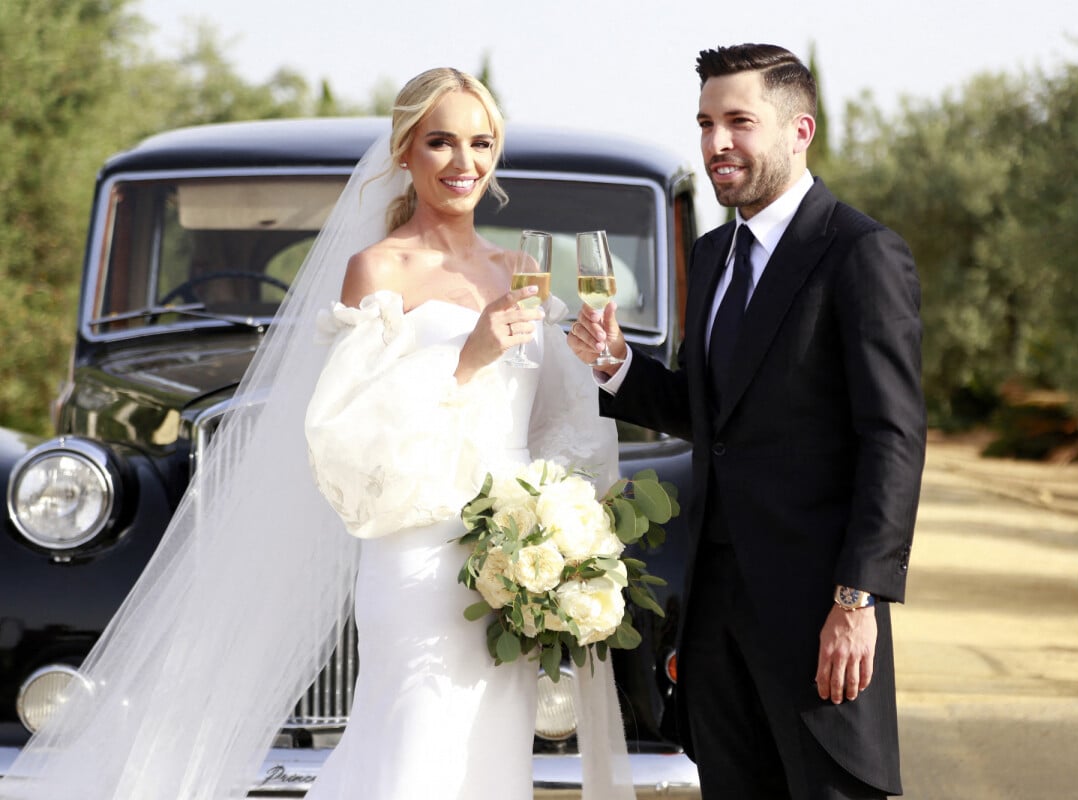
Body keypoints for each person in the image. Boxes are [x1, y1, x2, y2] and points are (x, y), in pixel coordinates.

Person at [6, 68, 628, 800]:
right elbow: (347, 433)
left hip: (515, 558)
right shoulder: (377, 268)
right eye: (441, 142)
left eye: (481, 143)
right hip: (418, 555)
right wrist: (466, 357)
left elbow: (559, 416)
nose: (464, 163)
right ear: (405, 151)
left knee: (486, 761)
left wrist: (597, 371)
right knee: (413, 751)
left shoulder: (523, 270)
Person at [569, 43, 925, 799]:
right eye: (705, 123)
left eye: (739, 122)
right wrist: (620, 369)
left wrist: (857, 600)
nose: (716, 143)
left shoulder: (860, 254)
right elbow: (715, 413)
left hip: (814, 611)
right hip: (714, 613)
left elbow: (892, 439)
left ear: (800, 131)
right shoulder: (712, 253)